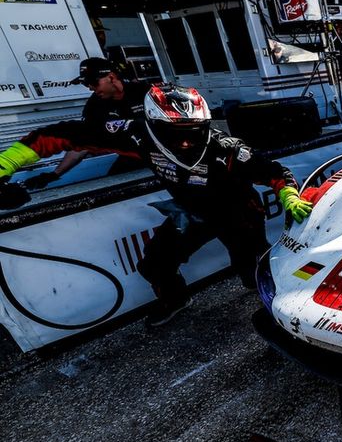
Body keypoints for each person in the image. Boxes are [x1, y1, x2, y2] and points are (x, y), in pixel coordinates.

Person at [0, 85, 313, 327]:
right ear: (151, 123)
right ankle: (175, 299)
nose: (187, 142)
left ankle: (284, 316)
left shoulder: (224, 147)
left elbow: (273, 172)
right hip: (191, 212)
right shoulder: (134, 134)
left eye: (193, 130)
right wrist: (5, 164)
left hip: (238, 212)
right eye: (176, 133)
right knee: (153, 265)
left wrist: (289, 195)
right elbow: (54, 136)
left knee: (254, 271)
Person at [22, 58, 148, 190]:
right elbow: (83, 143)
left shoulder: (144, 91)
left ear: (111, 77)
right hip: (132, 156)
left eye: (93, 82)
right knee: (114, 185)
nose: (90, 87)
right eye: (85, 83)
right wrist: (54, 174)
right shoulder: (95, 105)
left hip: (163, 151)